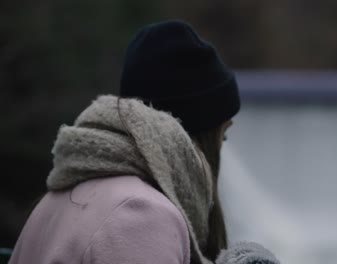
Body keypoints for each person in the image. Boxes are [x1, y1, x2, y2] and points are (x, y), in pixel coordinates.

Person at [8, 21, 279, 264]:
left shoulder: (56, 202)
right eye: (223, 135)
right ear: (199, 134)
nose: (222, 148)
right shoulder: (140, 215)